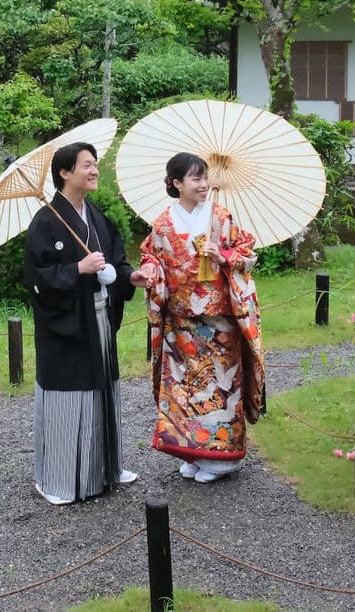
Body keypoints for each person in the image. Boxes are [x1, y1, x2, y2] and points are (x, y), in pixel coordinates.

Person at [24, 141, 153, 505]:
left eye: (95, 164)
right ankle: (60, 480)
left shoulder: (94, 215)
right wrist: (76, 269)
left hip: (98, 319)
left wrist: (129, 278)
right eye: (86, 165)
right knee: (72, 396)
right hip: (66, 327)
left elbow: (114, 258)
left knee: (105, 391)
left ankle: (107, 467)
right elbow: (37, 277)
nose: (94, 171)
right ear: (65, 172)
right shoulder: (46, 221)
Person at [137, 152, 263, 483]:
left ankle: (223, 459)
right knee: (183, 389)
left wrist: (222, 255)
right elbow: (151, 253)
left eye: (205, 177)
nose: (203, 184)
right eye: (195, 178)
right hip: (180, 324)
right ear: (177, 184)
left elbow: (248, 256)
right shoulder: (164, 223)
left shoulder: (221, 217)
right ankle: (192, 451)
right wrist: (151, 268)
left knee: (221, 389)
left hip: (219, 324)